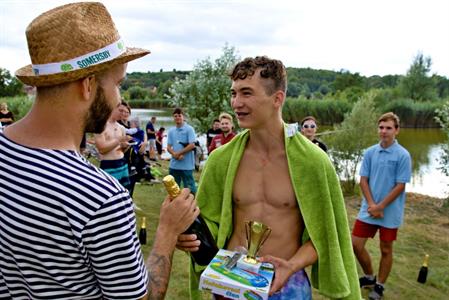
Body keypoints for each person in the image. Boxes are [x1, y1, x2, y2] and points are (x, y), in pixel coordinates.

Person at [0, 3, 199, 299]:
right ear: (88, 85)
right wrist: (167, 234)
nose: (119, 96)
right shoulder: (99, 197)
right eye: (117, 83)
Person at [177, 56, 361, 299]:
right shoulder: (220, 160)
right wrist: (190, 237)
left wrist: (292, 265)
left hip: (284, 283)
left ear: (277, 99)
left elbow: (327, 234)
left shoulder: (313, 163)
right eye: (234, 93)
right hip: (230, 281)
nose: (236, 103)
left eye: (246, 93)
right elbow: (210, 223)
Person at [352, 112, 411, 300]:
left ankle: (380, 285)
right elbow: (363, 180)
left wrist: (381, 206)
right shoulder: (370, 152)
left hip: (389, 212)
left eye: (388, 128)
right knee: (355, 245)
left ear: (397, 130)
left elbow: (400, 185)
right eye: (381, 127)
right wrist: (371, 204)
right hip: (369, 209)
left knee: (386, 249)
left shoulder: (403, 155)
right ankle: (369, 277)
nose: (384, 131)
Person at [95, 104, 133, 191]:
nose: (123, 114)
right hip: (109, 165)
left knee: (125, 191)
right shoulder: (101, 126)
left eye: (125, 111)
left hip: (122, 163)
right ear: (112, 108)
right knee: (109, 191)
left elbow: (122, 150)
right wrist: (119, 140)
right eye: (120, 110)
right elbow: (102, 149)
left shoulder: (121, 128)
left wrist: (125, 146)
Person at [167, 107, 197, 194]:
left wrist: (179, 153)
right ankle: (175, 206)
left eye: (179, 115)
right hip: (174, 165)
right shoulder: (171, 131)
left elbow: (192, 145)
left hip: (186, 165)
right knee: (173, 189)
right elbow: (168, 147)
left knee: (190, 189)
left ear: (183, 116)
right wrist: (174, 154)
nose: (177, 118)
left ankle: (192, 206)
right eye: (175, 116)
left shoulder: (189, 129)